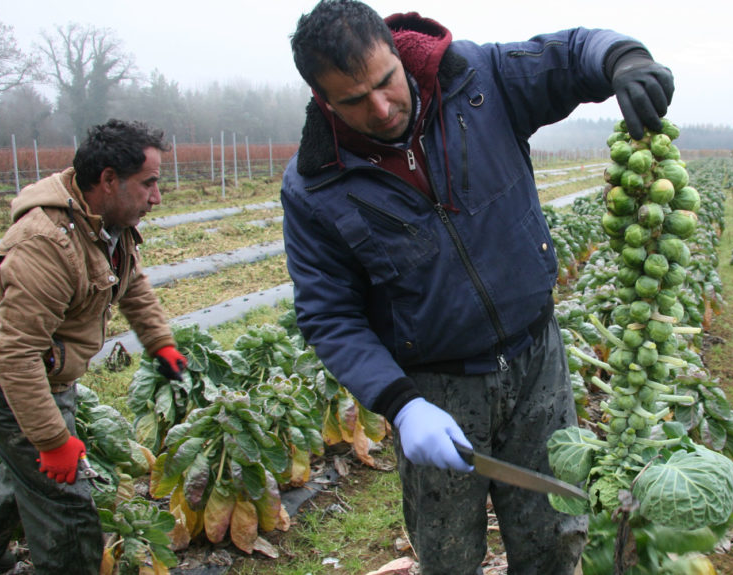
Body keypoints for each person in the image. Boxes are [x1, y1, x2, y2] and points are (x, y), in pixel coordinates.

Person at [282, 1, 673, 573]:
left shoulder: (479, 81)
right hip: (436, 389)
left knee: (555, 537)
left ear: (395, 53)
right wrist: (401, 404)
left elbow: (569, 53)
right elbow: (328, 315)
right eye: (353, 100)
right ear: (323, 100)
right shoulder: (314, 187)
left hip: (536, 358)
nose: (382, 106)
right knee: (448, 554)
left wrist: (624, 59)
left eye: (386, 82)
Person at [0, 119, 188, 574]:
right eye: (149, 183)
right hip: (8, 379)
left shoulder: (106, 223)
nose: (157, 197)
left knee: (22, 473)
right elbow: (14, 355)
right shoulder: (46, 244)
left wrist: (160, 343)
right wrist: (53, 440)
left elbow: (131, 283)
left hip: (53, 370)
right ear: (108, 179)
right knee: (66, 499)